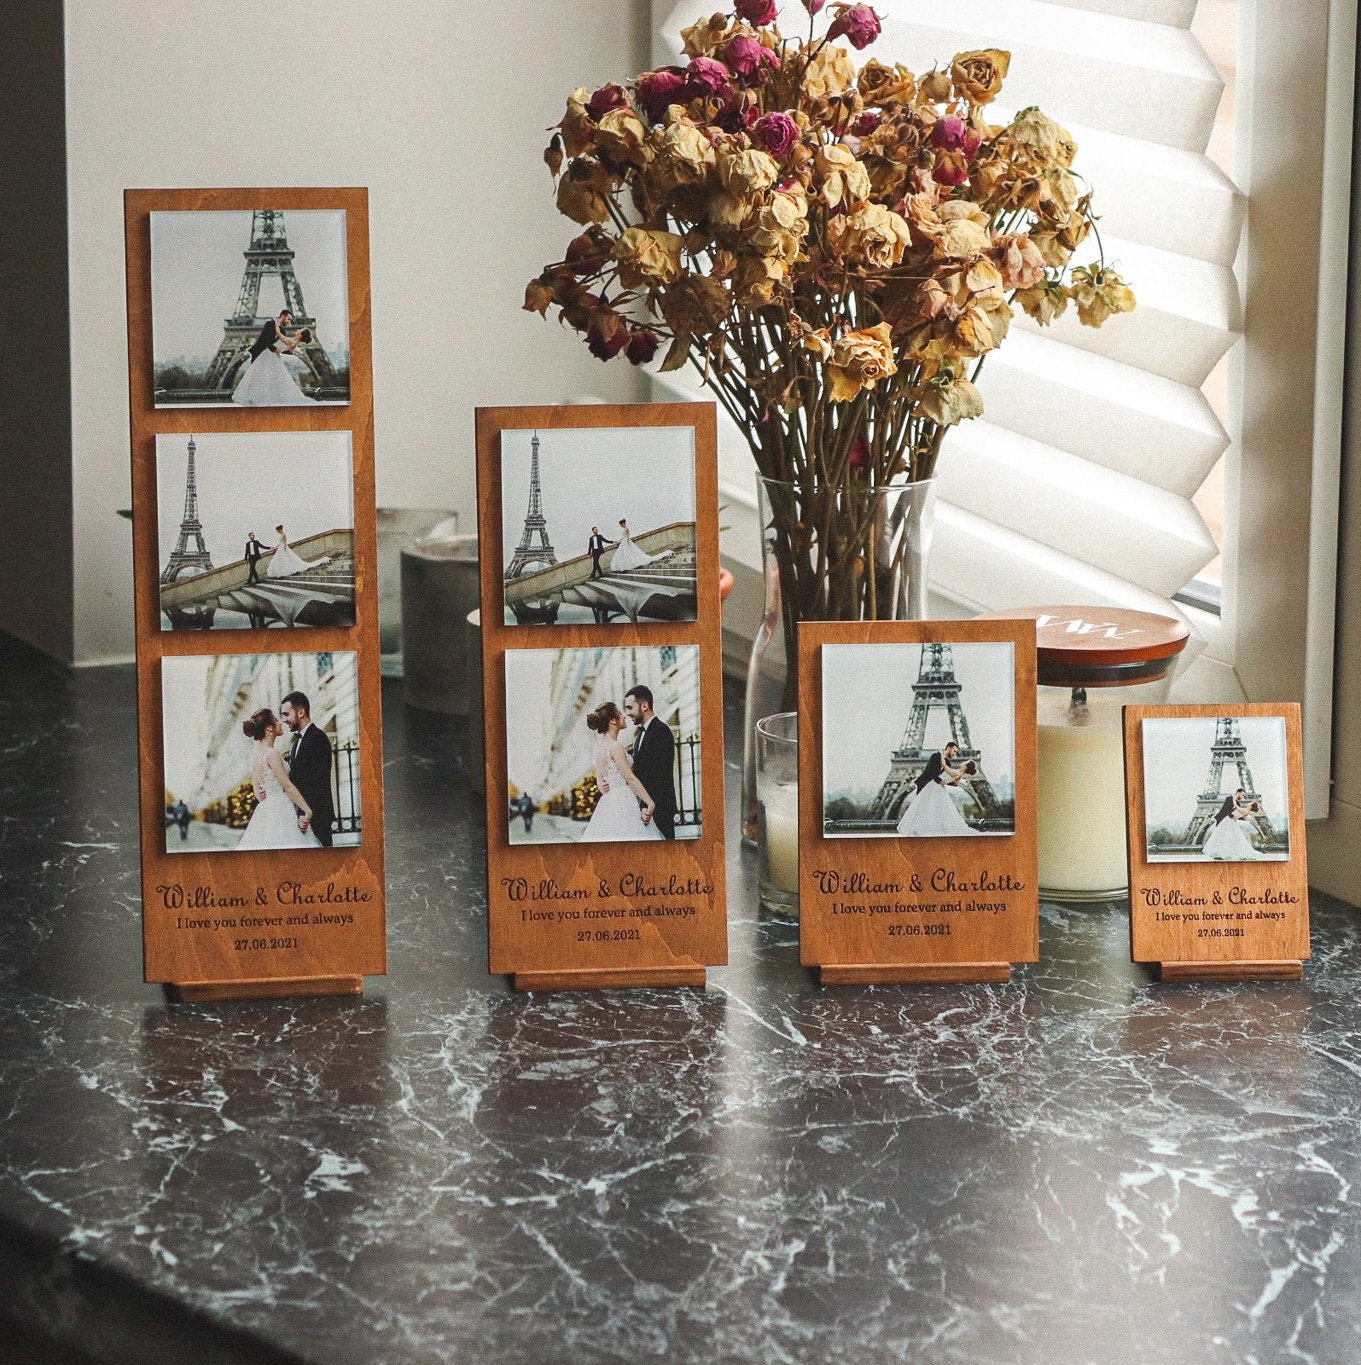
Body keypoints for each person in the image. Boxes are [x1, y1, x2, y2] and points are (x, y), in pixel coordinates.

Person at [236, 708, 322, 850]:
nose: (280, 723)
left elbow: (256, 789)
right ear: (269, 728)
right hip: (281, 810)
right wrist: (307, 811)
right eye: (276, 720)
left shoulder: (257, 754)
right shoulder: (272, 753)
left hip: (266, 810)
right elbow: (287, 786)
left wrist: (264, 794)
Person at [581, 702, 662, 842]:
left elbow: (600, 780)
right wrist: (650, 802)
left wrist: (601, 784)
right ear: (613, 720)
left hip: (608, 803)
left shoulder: (599, 747)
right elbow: (630, 778)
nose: (624, 716)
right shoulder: (615, 747)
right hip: (623, 801)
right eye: (619, 713)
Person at [280, 691, 335, 847]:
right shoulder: (296, 742)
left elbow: (317, 782)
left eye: (286, 714)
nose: (284, 720)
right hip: (303, 815)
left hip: (317, 815)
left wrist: (305, 814)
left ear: (301, 712)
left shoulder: (318, 738)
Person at [231, 309, 317, 406]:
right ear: (283, 316)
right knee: (263, 377)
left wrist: (276, 347)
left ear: (300, 335)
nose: (290, 322)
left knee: (264, 377)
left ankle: (260, 399)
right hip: (266, 354)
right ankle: (261, 399)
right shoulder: (270, 325)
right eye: (288, 319)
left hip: (270, 355)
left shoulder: (285, 334)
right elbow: (265, 340)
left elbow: (279, 340)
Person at [624, 684, 678, 839]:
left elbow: (660, 775)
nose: (627, 713)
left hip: (660, 809)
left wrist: (647, 806)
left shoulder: (661, 731)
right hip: (646, 808)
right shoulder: (640, 735)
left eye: (630, 707)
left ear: (644, 706)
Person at [896, 741, 980, 837]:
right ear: (949, 748)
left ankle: (924, 831)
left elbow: (945, 773)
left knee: (929, 809)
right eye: (954, 751)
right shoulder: (935, 756)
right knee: (923, 809)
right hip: (927, 785)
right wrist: (943, 781)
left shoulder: (948, 763)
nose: (955, 754)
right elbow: (930, 771)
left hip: (935, 788)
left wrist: (942, 781)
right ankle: (919, 830)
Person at [1202, 788, 1261, 860]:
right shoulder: (1232, 800)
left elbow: (1236, 808)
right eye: (1242, 795)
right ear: (1238, 792)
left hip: (1229, 822)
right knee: (1226, 837)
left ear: (1251, 806)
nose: (1243, 797)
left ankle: (1224, 853)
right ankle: (1223, 853)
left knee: (1225, 837)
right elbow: (1229, 810)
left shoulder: (1242, 808)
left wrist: (1234, 799)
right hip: (1228, 821)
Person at [266, 524, 331, 579]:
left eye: (277, 530)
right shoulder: (281, 535)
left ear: (279, 529)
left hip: (283, 548)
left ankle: (286, 571)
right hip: (280, 547)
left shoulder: (284, 535)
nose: (277, 532)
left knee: (285, 559)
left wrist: (285, 548)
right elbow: (280, 542)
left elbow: (285, 542)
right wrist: (276, 546)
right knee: (281, 559)